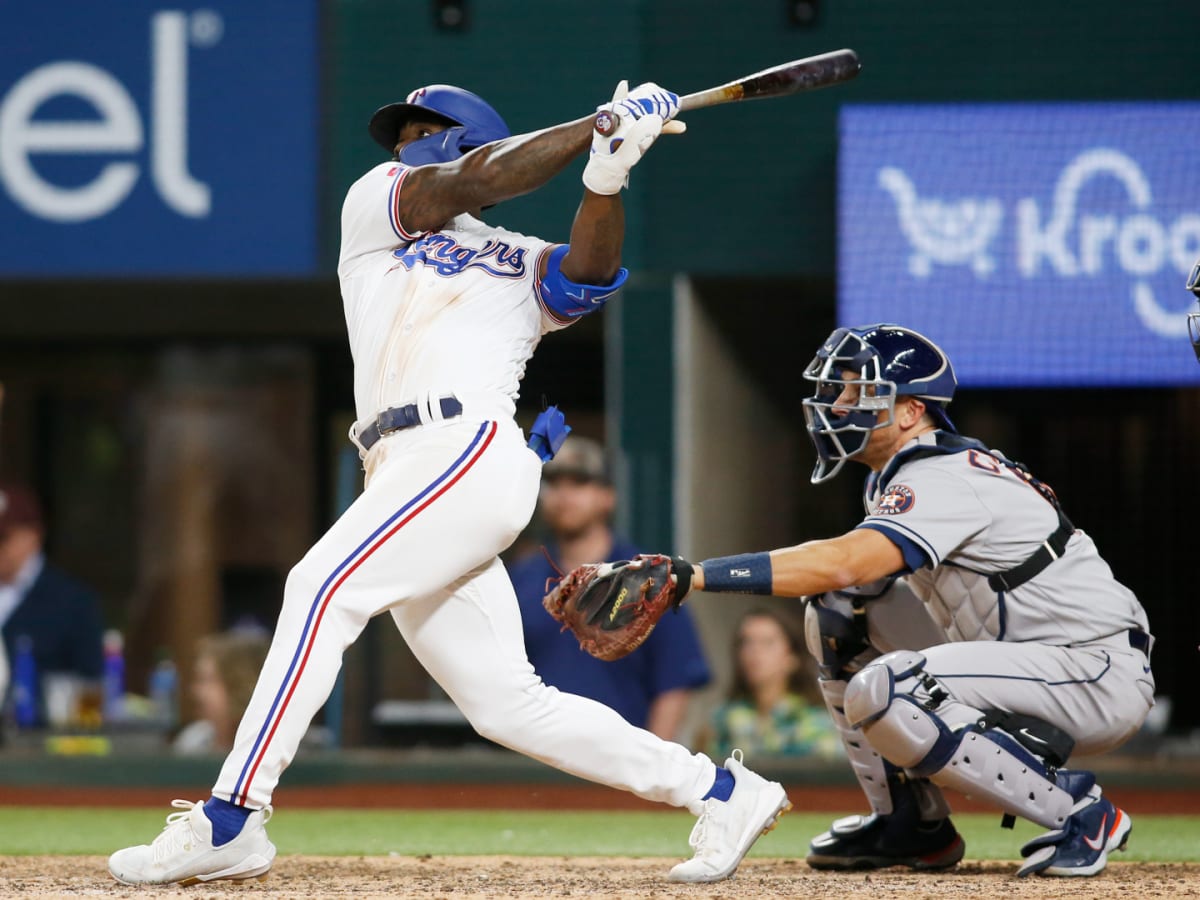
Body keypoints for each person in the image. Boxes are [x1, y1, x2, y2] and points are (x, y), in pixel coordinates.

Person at [108, 83, 788, 886]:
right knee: (507, 704)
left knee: (321, 589)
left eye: (427, 129)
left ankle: (232, 817)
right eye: (405, 132)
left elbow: (588, 272)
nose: (406, 142)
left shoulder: (519, 255)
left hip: (463, 448)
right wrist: (591, 129)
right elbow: (470, 184)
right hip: (400, 464)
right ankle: (719, 789)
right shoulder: (378, 204)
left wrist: (604, 179)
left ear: (469, 134)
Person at [642, 324, 1153, 878]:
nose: (837, 405)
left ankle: (1082, 814)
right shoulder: (906, 472)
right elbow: (844, 580)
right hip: (1027, 655)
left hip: (1093, 670)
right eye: (837, 390)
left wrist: (693, 576)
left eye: (857, 392)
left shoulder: (943, 474)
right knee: (838, 606)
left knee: (890, 686)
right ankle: (910, 825)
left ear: (910, 411)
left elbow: (844, 558)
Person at [508, 436, 710, 741]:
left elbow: (673, 685)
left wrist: (650, 768)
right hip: (537, 761)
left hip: (619, 763)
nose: (564, 495)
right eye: (553, 483)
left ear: (607, 496)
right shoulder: (520, 579)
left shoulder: (649, 577)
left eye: (579, 482)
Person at [0, 482, 104, 726]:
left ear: (33, 536)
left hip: (45, 751)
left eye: (2, 537)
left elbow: (90, 689)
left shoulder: (73, 603)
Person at [704, 607, 840, 761]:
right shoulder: (722, 720)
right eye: (746, 642)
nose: (754, 651)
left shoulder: (816, 723)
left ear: (792, 658)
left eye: (767, 643)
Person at [173, 630, 272, 755]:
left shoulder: (278, 749)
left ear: (242, 684)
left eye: (207, 680)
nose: (196, 691)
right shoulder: (192, 742)